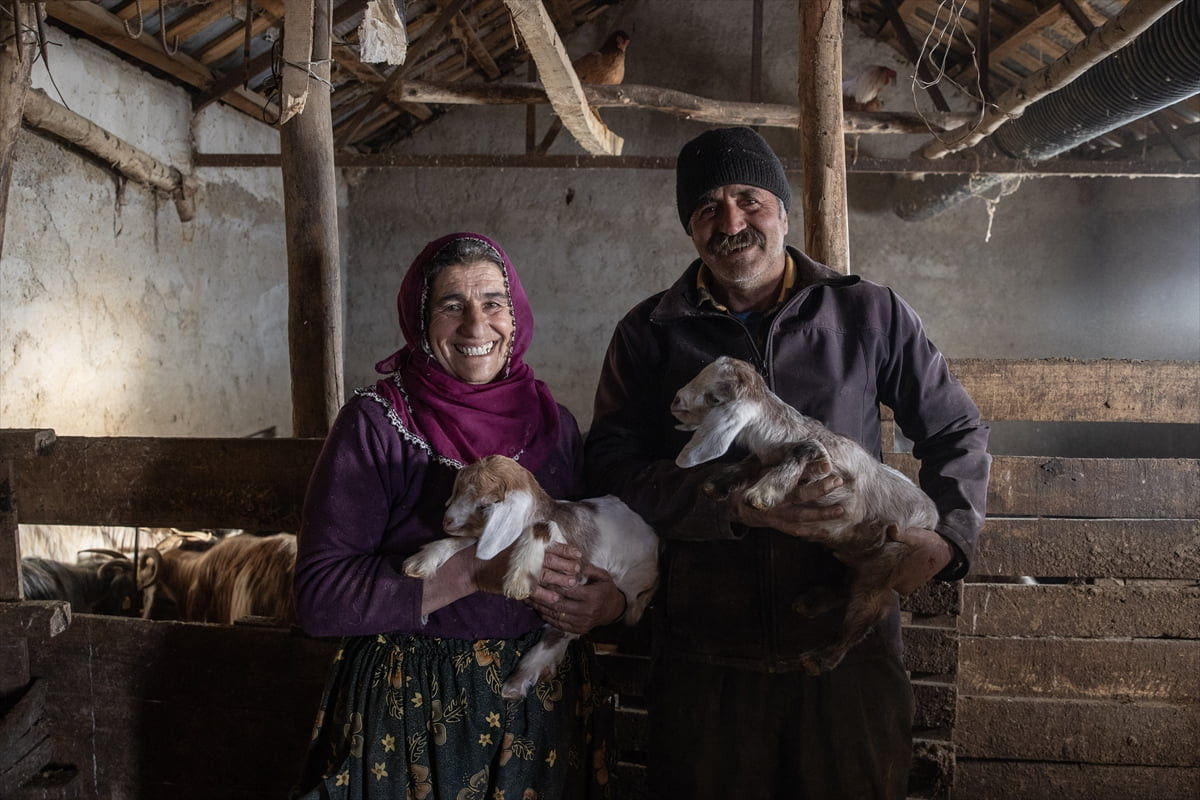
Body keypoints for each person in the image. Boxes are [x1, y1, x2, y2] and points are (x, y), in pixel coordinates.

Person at [585, 127, 991, 799]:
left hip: (846, 652)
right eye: (708, 207)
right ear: (689, 227)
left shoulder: (868, 313)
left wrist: (947, 540)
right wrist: (731, 507)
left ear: (783, 210)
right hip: (705, 651)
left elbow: (955, 428)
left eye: (749, 197)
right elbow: (608, 465)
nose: (732, 221)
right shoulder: (651, 333)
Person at [292, 232, 624, 800]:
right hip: (408, 707)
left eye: (493, 303)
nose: (476, 325)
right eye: (451, 305)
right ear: (421, 322)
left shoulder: (555, 426)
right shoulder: (375, 424)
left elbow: (603, 546)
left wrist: (607, 603)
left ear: (515, 316)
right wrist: (472, 573)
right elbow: (319, 599)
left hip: (540, 703)